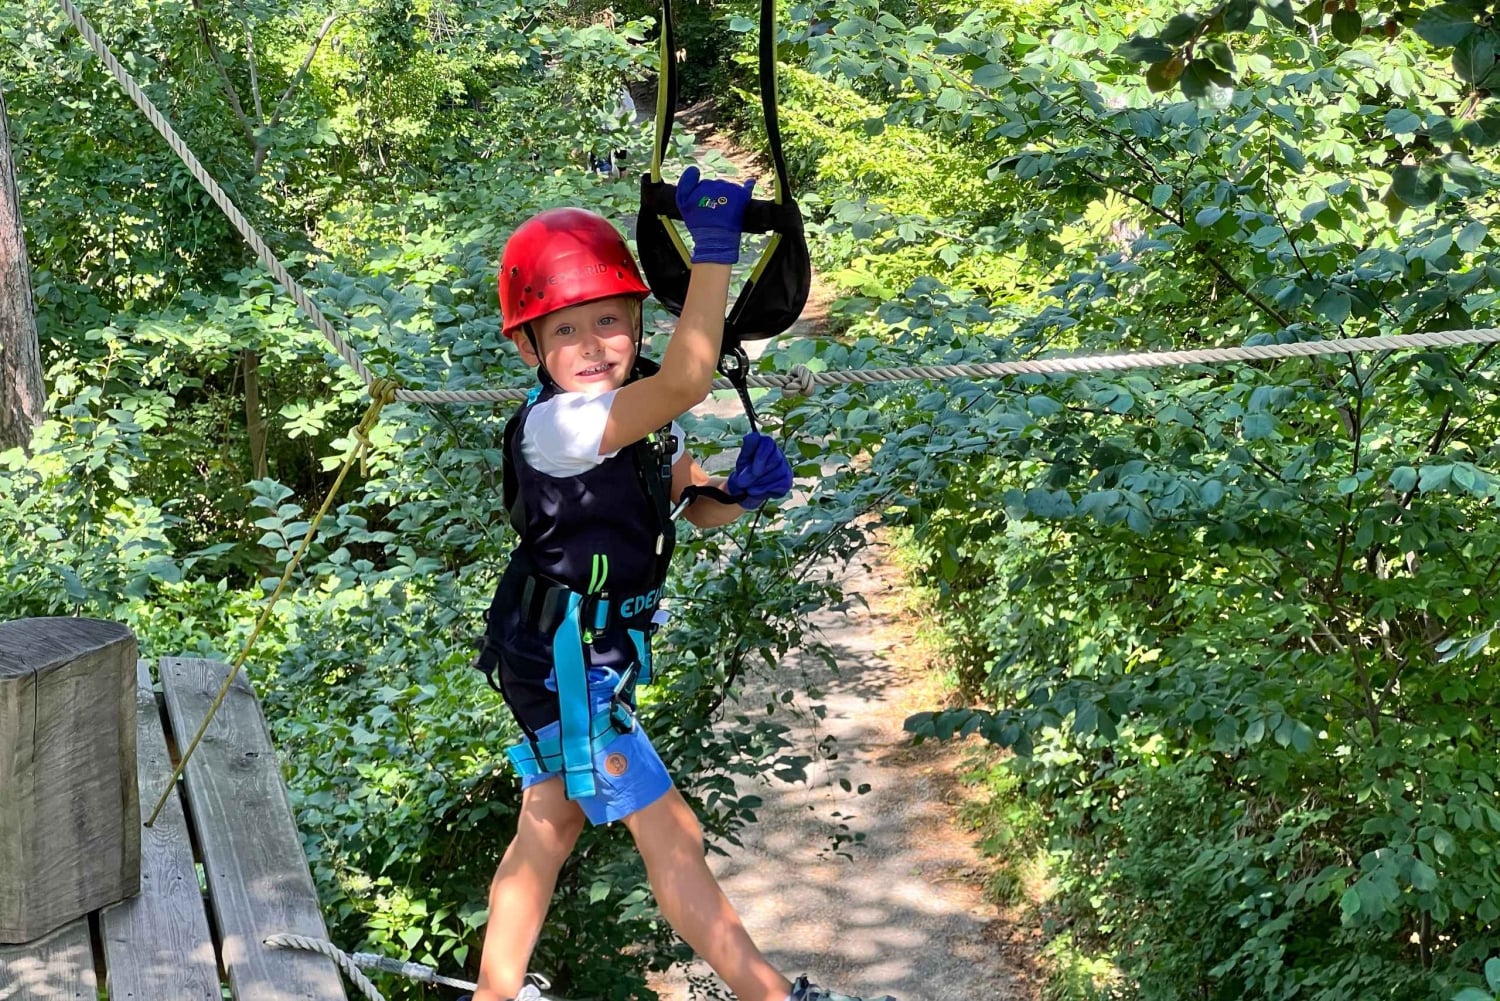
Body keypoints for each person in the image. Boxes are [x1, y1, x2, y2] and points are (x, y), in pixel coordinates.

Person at [466, 169, 898, 1001]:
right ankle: (772, 995)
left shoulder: (622, 412)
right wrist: (716, 253)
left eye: (611, 323)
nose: (594, 347)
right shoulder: (560, 424)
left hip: (568, 656)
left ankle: (495, 994)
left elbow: (687, 504)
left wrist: (733, 491)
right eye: (568, 332)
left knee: (549, 826)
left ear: (634, 322)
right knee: (672, 835)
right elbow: (690, 380)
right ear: (528, 346)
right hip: (569, 664)